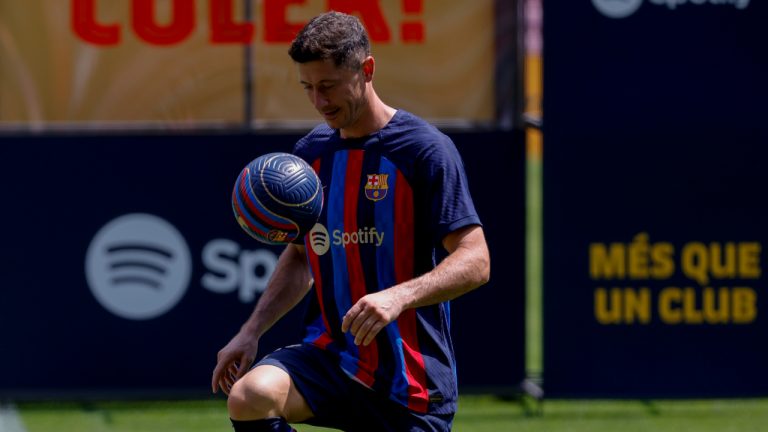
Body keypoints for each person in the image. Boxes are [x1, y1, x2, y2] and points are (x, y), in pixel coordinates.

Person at [212, 11, 490, 432]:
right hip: (330, 359)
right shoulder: (311, 156)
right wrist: (251, 331)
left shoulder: (424, 150)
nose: (319, 102)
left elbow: (476, 261)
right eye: (308, 88)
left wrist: (398, 297)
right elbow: (301, 255)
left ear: (367, 69)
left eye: (328, 87)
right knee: (250, 396)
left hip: (409, 378)